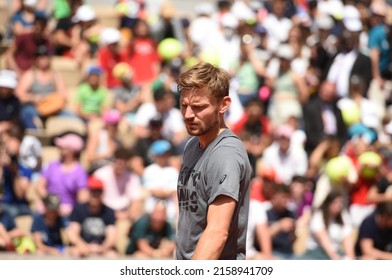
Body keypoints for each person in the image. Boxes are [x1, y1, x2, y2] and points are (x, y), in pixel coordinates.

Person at [175, 62, 252, 260]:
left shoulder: (225, 154)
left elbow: (217, 232)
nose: (188, 115)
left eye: (199, 107)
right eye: (184, 106)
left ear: (223, 104)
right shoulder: (192, 146)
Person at [67, 176, 117, 258]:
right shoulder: (78, 209)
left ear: (102, 193)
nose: (95, 194)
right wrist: (83, 246)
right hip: (82, 246)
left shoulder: (108, 211)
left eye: (98, 191)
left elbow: (112, 235)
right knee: (75, 252)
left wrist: (103, 248)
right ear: (88, 192)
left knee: (112, 255)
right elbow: (72, 232)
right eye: (93, 191)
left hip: (102, 247)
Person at [303, 190, 355, 260]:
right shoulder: (318, 216)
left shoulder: (344, 216)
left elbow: (347, 239)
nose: (339, 205)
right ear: (328, 203)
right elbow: (323, 240)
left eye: (341, 202)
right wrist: (336, 258)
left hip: (336, 252)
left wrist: (350, 258)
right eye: (336, 202)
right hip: (317, 253)